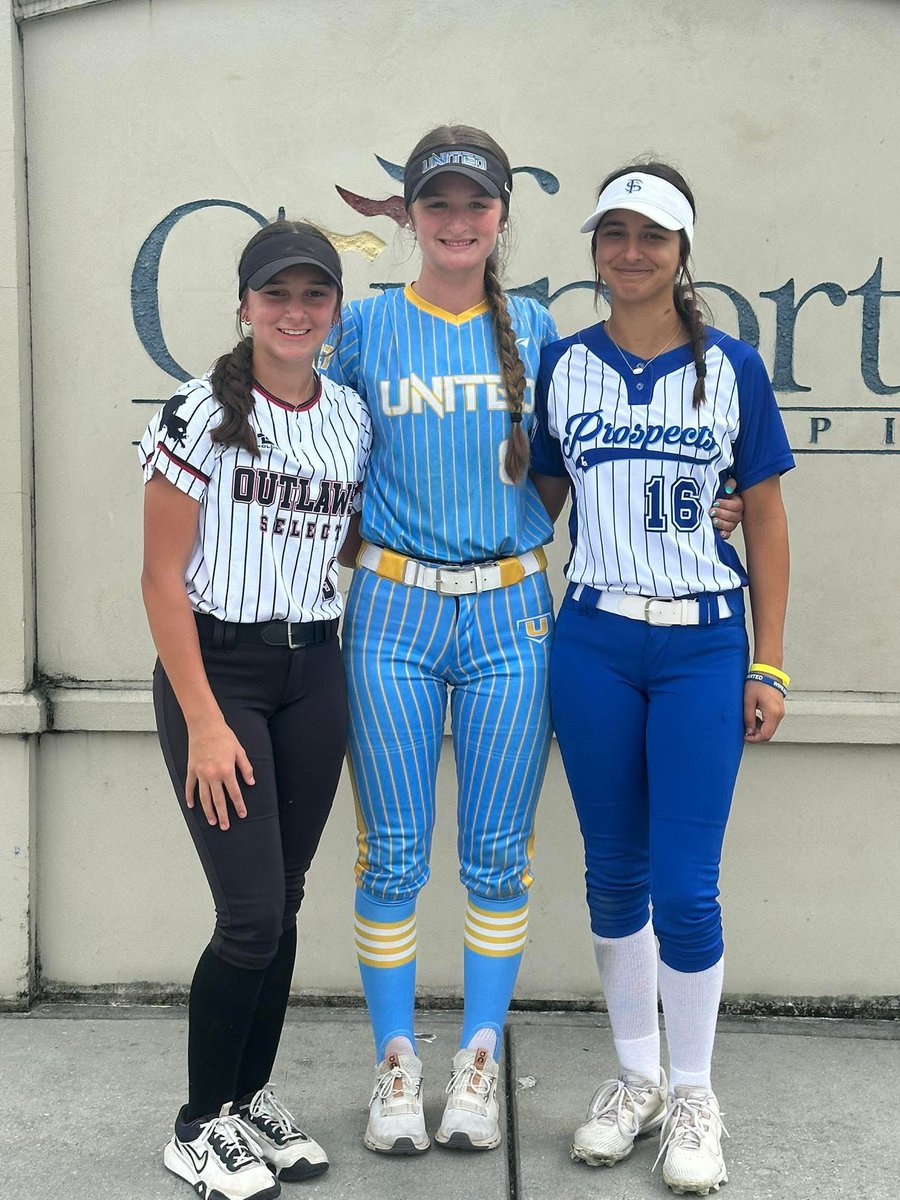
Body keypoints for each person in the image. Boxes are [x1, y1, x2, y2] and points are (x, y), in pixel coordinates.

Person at [323, 129, 743, 1157]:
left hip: (515, 610)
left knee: (497, 857)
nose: (457, 222)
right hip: (392, 607)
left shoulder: (535, 327)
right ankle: (393, 1063)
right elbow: (316, 449)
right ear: (408, 216)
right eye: (438, 205)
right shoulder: (370, 325)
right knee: (392, 855)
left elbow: (573, 472)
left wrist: (702, 509)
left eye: (476, 205)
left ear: (503, 216)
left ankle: (475, 1061)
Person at [530, 163, 793, 1196]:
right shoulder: (562, 365)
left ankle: (694, 1092)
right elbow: (537, 501)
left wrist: (769, 659)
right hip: (592, 639)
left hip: (700, 646)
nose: (631, 253)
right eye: (614, 234)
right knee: (611, 874)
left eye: (654, 235)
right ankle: (634, 1079)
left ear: (686, 250)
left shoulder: (732, 367)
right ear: (594, 246)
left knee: (686, 886)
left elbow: (765, 517)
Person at [139, 220, 371, 1200]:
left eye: (314, 295)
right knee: (248, 917)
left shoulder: (350, 416)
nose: (294, 311)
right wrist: (201, 718)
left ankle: (248, 1097)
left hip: (315, 670)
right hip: (220, 674)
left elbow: (354, 540)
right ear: (244, 306)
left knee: (288, 901)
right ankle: (198, 1125)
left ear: (333, 313)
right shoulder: (198, 413)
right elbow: (157, 579)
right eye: (276, 294)